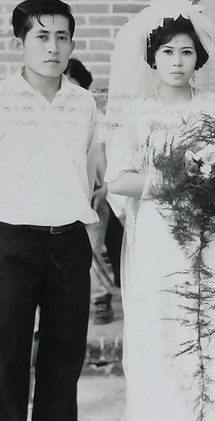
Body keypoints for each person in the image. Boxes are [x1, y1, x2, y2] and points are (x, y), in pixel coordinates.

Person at [104, 0, 215, 420]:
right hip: (159, 233)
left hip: (211, 232)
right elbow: (117, 179)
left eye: (186, 52)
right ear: (152, 58)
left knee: (214, 321)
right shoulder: (136, 112)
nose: (177, 61)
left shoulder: (213, 107)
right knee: (165, 324)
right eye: (167, 52)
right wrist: (171, 180)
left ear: (198, 58)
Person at [0, 0, 99, 421]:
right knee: (7, 358)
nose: (53, 47)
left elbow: (90, 172)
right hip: (13, 244)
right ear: (19, 42)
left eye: (62, 37)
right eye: (41, 36)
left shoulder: (83, 103)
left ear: (72, 43)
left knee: (63, 360)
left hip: (69, 243)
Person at [65, 58, 122, 325]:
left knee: (90, 250)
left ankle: (101, 299)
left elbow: (99, 154)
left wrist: (104, 189)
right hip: (63, 196)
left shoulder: (95, 118)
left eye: (74, 86)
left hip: (93, 194)